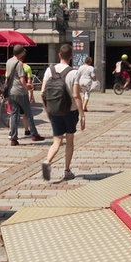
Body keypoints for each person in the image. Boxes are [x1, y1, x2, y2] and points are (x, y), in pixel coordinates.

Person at [41, 44, 85, 181]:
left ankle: (47, 161)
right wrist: (82, 114)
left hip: (54, 111)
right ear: (71, 57)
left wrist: (47, 110)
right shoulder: (74, 73)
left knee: (57, 141)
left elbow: (43, 92)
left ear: (59, 55)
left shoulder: (49, 70)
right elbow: (76, 96)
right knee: (70, 141)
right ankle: (67, 170)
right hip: (70, 112)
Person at [5, 45, 45, 146]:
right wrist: (27, 87)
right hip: (20, 92)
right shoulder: (19, 64)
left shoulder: (8, 62)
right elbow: (22, 80)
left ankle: (13, 138)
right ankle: (34, 135)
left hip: (10, 92)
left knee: (14, 114)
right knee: (28, 114)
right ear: (21, 53)